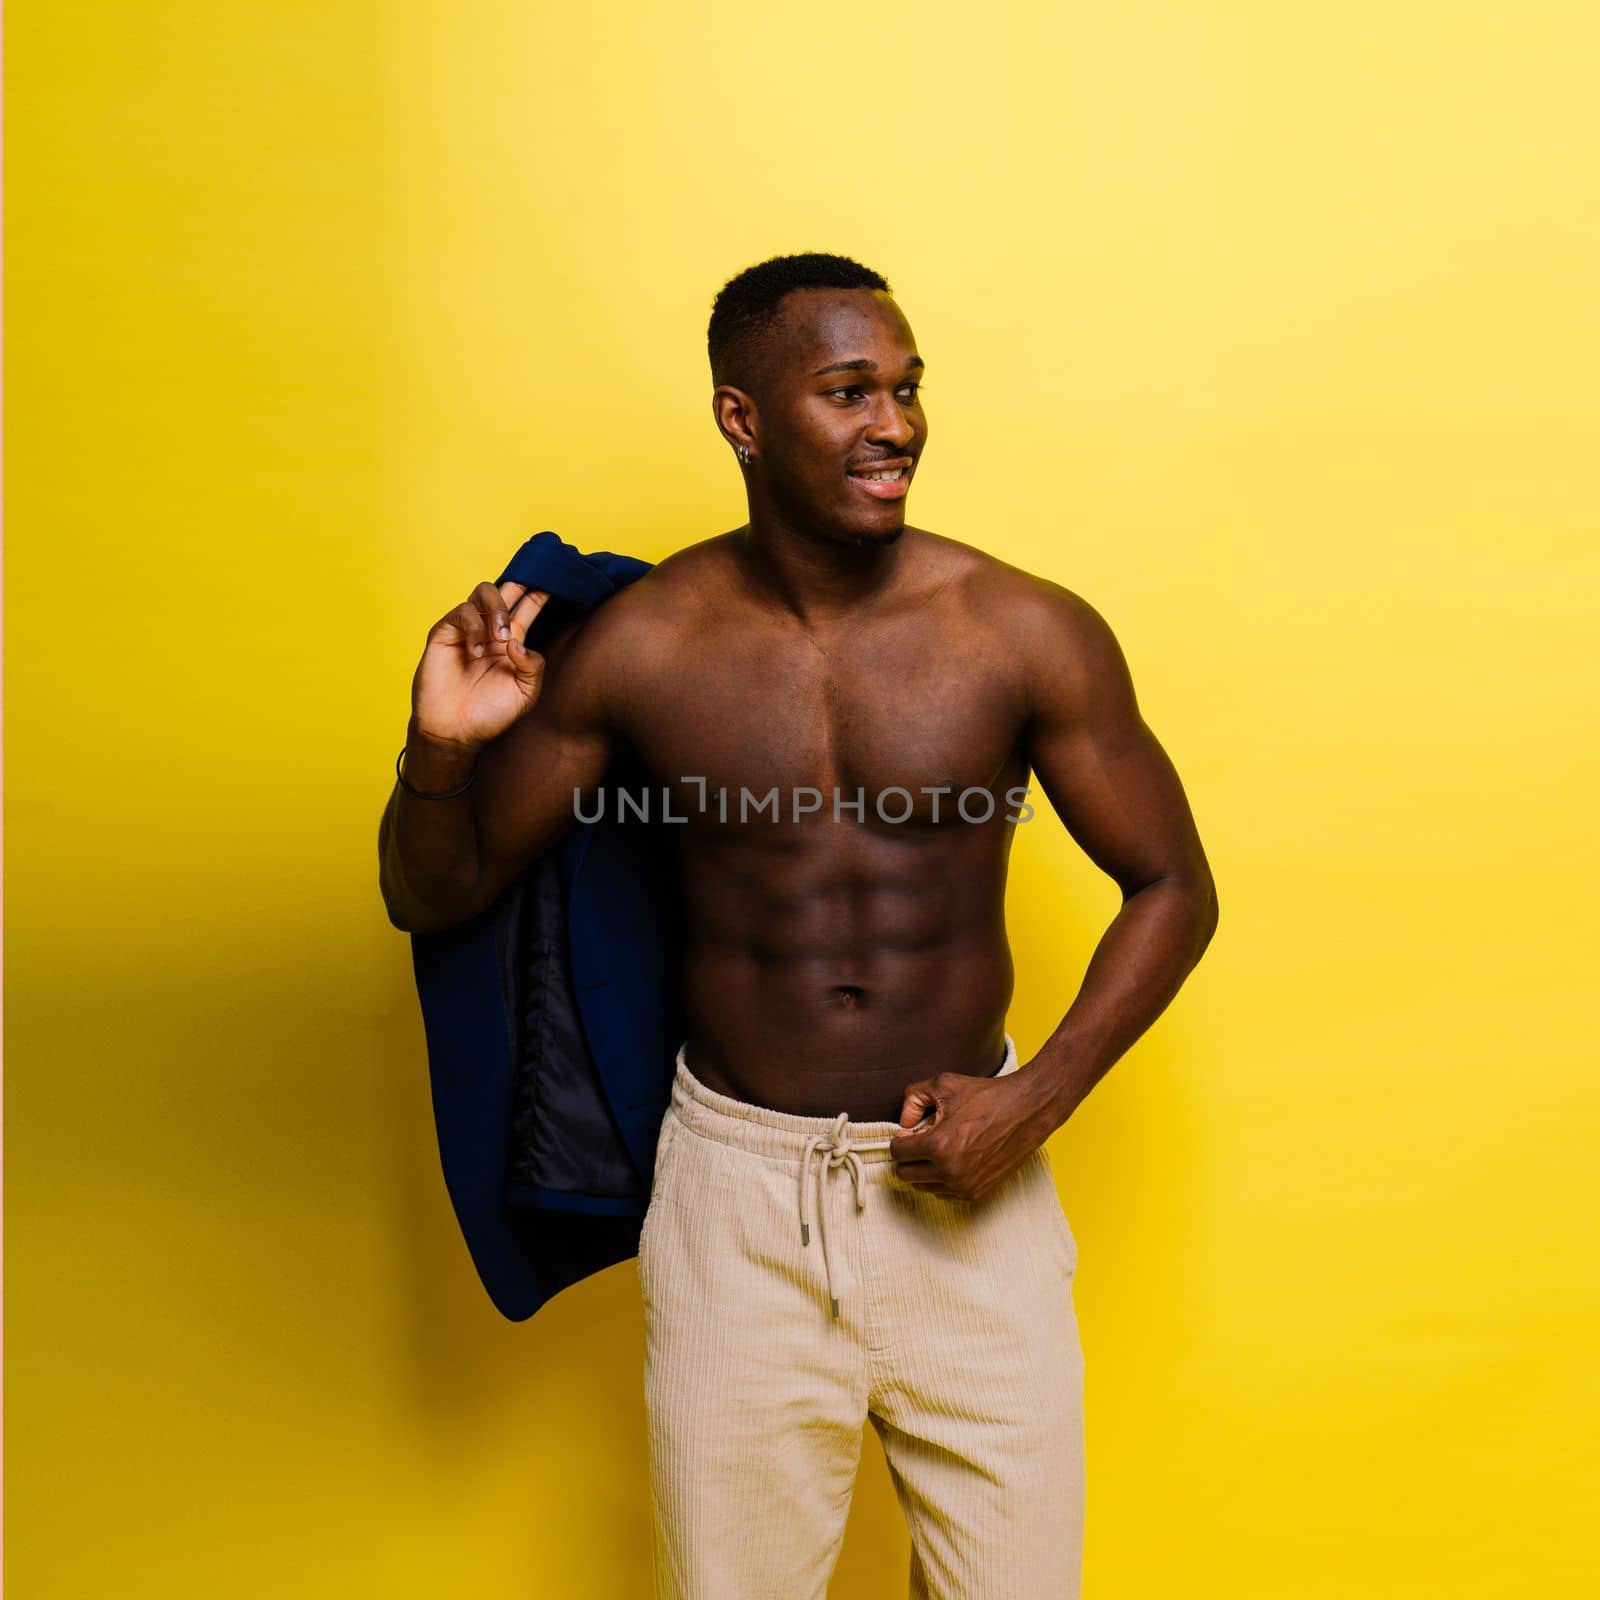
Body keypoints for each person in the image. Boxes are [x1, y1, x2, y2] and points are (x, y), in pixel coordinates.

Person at [379, 252, 1219, 1600]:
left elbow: (1177, 885)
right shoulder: (645, 648)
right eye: (848, 392)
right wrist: (438, 752)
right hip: (737, 1208)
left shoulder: (1021, 630)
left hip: (971, 1199)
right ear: (743, 417)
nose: (895, 425)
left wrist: (1037, 1098)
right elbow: (440, 888)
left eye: (906, 388)